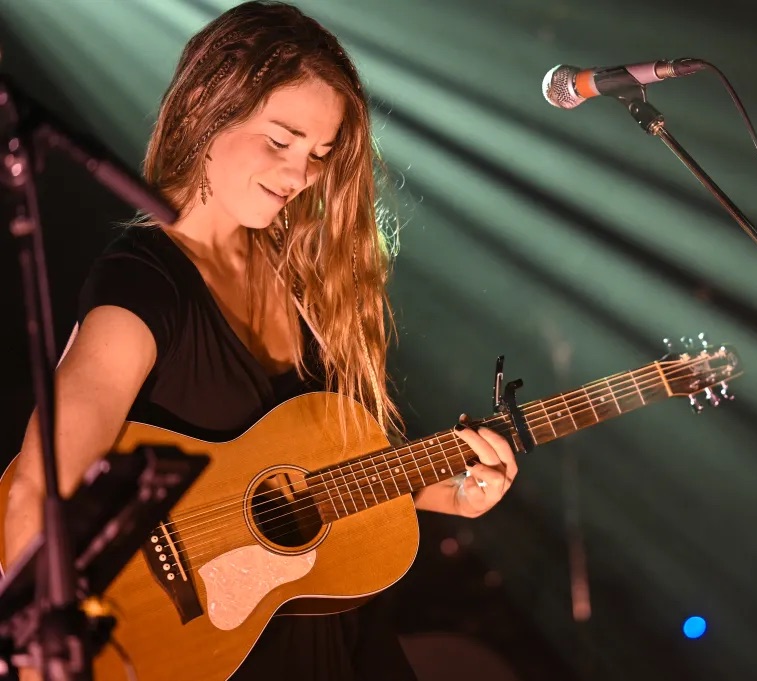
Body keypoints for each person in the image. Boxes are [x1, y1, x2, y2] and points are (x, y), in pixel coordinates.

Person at [3, 2, 518, 679]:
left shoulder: (304, 279)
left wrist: (441, 489)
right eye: (281, 141)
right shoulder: (144, 282)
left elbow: (293, 471)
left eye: (318, 154)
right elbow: (34, 488)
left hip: (346, 646)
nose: (298, 174)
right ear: (205, 117)